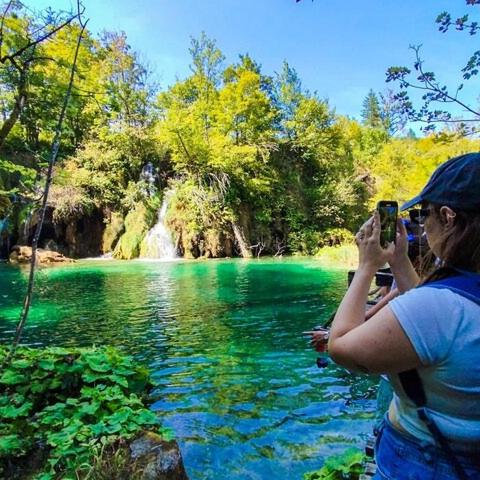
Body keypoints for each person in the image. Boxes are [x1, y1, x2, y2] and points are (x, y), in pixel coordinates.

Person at [327, 152, 480, 479]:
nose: (422, 225)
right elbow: (429, 324)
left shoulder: (439, 308)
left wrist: (367, 266)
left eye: (425, 214)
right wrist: (398, 261)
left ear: (448, 217)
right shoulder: (453, 301)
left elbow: (340, 347)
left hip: (426, 461)